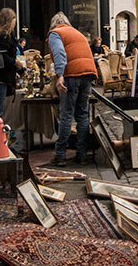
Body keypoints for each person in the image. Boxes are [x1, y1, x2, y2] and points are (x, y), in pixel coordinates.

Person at [47, 12, 97, 166]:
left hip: (72, 75)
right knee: (82, 115)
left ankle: (60, 155)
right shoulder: (77, 33)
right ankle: (81, 155)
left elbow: (59, 54)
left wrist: (60, 75)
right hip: (88, 73)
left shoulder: (55, 33)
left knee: (66, 115)